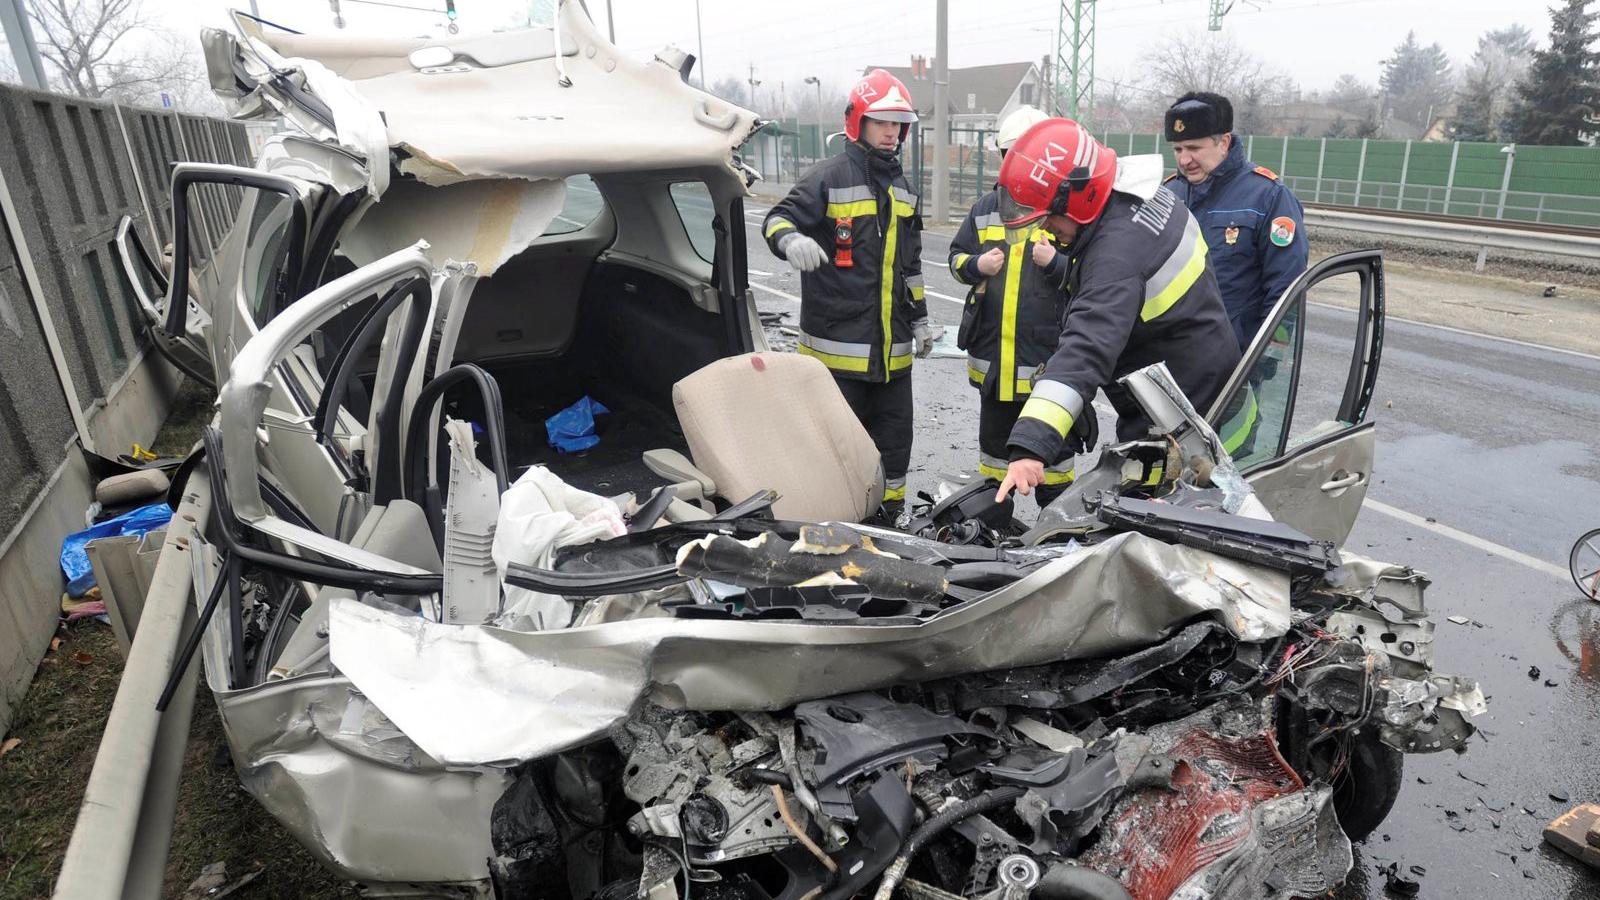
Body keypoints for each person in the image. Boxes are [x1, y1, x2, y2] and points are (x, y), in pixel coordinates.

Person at [990, 118, 1242, 502]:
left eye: (1050, 217)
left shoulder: (1117, 257)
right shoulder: (1140, 196)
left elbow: (1087, 345)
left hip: (1188, 430)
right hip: (1206, 391)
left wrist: (1029, 448)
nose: (1049, 229)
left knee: (1167, 540)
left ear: (1078, 198)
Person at [762, 68, 933, 519]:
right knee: (833, 449)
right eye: (883, 121)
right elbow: (778, 218)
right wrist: (790, 241)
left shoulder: (904, 190)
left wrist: (919, 318)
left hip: (893, 357)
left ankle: (889, 519)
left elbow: (909, 266)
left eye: (899, 123)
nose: (892, 132)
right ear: (859, 122)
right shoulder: (828, 177)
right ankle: (833, 522)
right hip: (836, 358)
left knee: (894, 446)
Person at [946, 105, 1079, 504]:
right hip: (994, 371)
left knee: (1053, 469)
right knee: (992, 465)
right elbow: (954, 259)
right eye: (1009, 158)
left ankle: (1059, 542)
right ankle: (993, 536)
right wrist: (976, 265)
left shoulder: (1068, 212)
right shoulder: (985, 209)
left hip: (1045, 369)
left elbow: (1090, 278)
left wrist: (1054, 264)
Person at [1163, 91, 1307, 350]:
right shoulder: (1169, 194)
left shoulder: (1269, 197)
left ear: (1224, 142)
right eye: (1178, 149)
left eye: (1194, 148)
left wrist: (1268, 357)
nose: (1184, 159)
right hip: (1173, 357)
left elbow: (1286, 288)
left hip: (1234, 363)